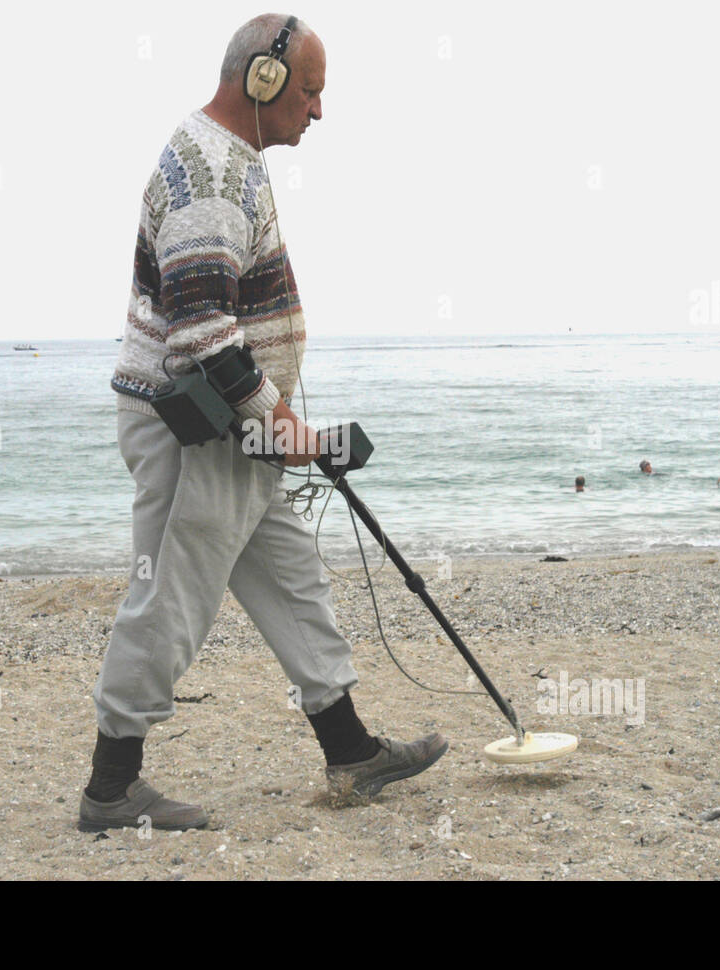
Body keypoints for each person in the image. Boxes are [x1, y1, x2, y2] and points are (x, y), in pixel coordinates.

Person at [83, 14, 447, 833]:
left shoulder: (231, 157)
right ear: (263, 80)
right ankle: (111, 789)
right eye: (311, 91)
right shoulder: (209, 172)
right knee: (168, 601)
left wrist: (273, 426)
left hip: (231, 433)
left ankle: (351, 753)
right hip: (199, 434)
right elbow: (203, 334)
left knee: (292, 580)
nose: (318, 111)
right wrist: (281, 423)